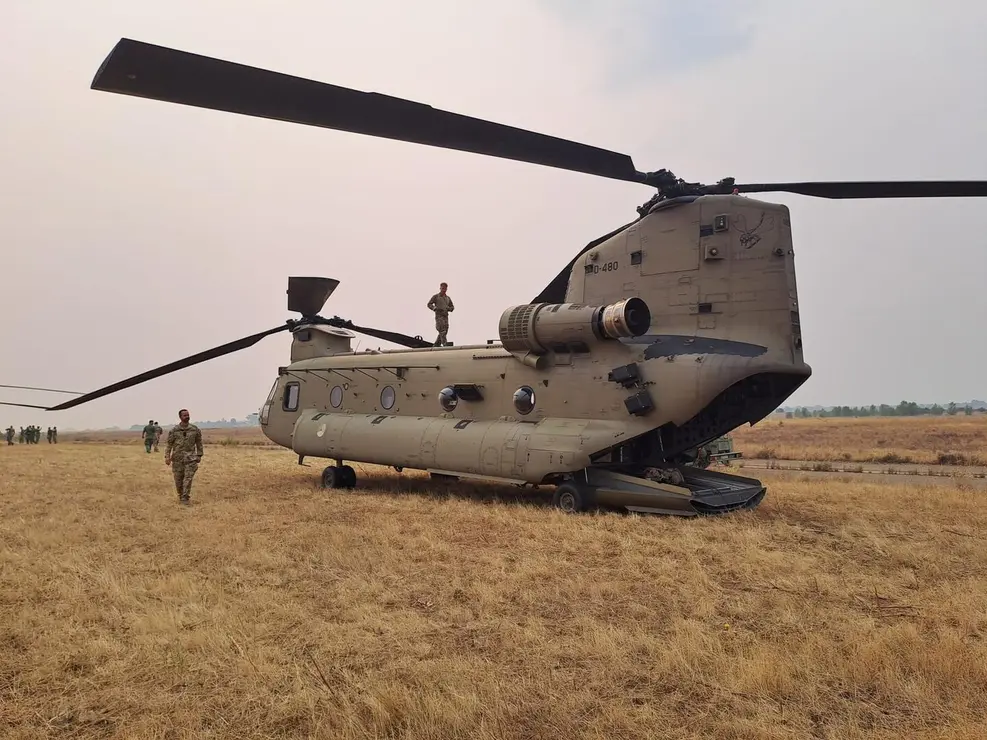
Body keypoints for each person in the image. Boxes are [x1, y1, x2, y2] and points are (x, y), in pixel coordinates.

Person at [164, 408, 203, 506]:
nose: (187, 417)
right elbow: (169, 444)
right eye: (185, 415)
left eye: (188, 415)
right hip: (177, 459)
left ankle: (185, 498)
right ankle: (181, 495)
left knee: (188, 478)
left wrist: (199, 455)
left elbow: (199, 443)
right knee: (178, 479)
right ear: (180, 417)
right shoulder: (174, 430)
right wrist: (167, 456)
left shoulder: (194, 429)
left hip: (191, 459)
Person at [426, 282, 455, 347]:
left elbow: (452, 307)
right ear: (440, 288)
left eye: (445, 288)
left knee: (445, 330)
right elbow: (429, 304)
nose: (443, 289)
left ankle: (436, 345)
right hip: (439, 315)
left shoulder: (448, 298)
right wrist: (434, 308)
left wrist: (449, 308)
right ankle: (445, 344)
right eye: (442, 288)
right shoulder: (436, 296)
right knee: (442, 330)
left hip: (445, 316)